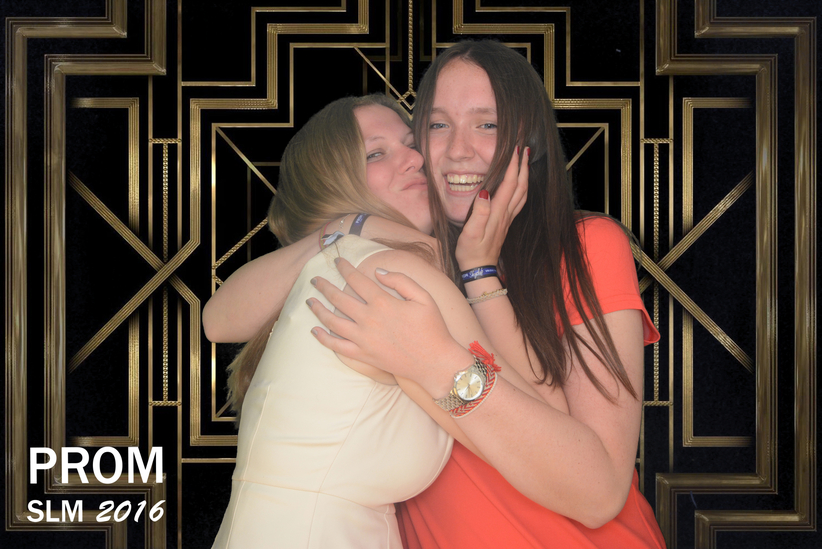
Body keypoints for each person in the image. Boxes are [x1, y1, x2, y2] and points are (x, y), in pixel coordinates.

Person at [206, 40, 666, 548]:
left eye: (486, 124)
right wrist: (350, 225)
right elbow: (219, 319)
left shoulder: (583, 246)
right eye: (438, 125)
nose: (456, 150)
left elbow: (587, 472)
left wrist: (475, 281)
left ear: (528, 140)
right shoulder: (395, 272)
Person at [209, 93, 535, 548]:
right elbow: (532, 427)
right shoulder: (384, 274)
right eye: (376, 154)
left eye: (411, 144)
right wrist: (473, 267)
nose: (415, 159)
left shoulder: (349, 266)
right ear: (332, 183)